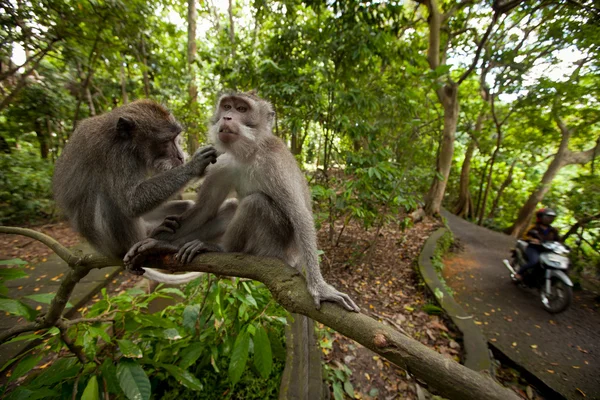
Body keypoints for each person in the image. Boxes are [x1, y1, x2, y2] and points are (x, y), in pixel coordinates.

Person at [514, 208, 561, 281]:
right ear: (541, 217)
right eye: (548, 217)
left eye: (551, 218)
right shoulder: (534, 227)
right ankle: (519, 273)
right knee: (534, 261)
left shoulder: (553, 230)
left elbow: (558, 240)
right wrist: (532, 239)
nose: (549, 219)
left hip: (547, 250)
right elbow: (525, 236)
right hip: (533, 248)